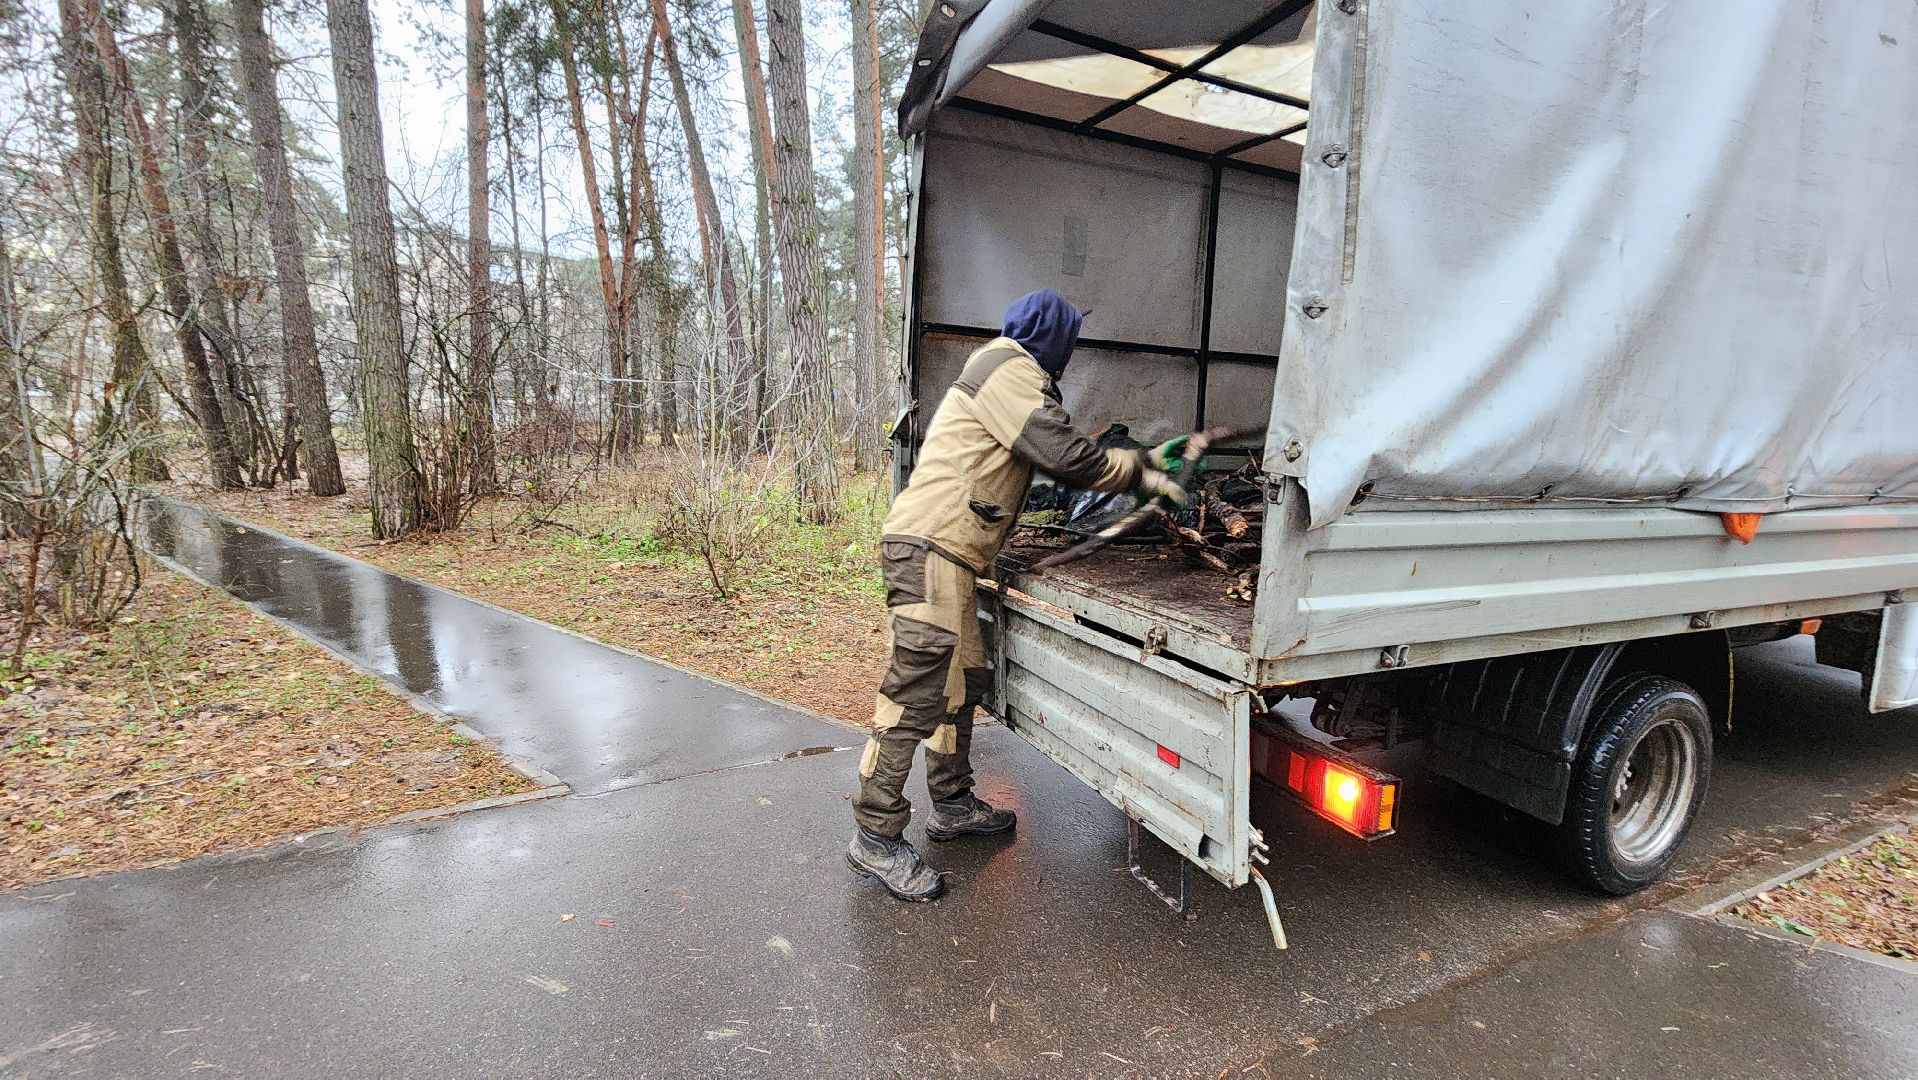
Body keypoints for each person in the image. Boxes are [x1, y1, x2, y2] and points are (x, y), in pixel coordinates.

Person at [847, 288, 1187, 901]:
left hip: (947, 552)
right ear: (1054, 338)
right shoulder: (1008, 369)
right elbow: (1065, 455)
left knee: (959, 686)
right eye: (1071, 341)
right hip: (928, 550)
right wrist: (1140, 469)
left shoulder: (1010, 372)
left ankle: (951, 806)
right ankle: (874, 835)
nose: (1072, 354)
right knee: (916, 691)